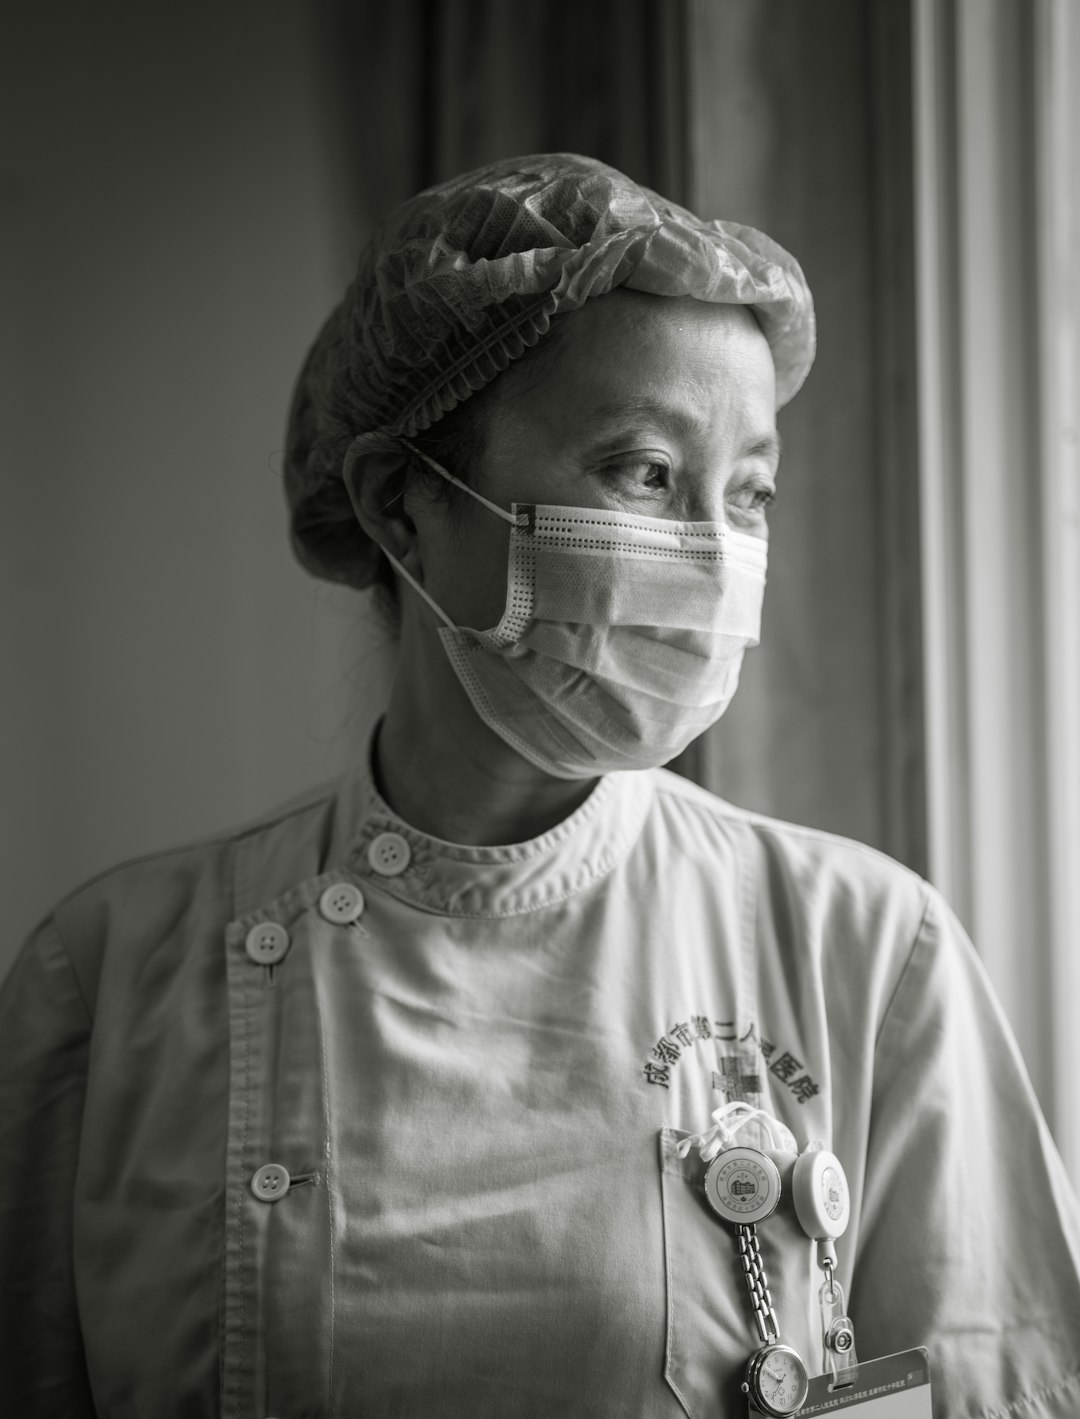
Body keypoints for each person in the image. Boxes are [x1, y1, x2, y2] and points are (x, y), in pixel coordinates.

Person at [1, 152, 1078, 1419]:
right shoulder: (111, 980)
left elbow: (983, 1384)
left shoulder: (871, 953)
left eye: (749, 492)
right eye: (643, 471)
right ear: (402, 509)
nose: (716, 558)